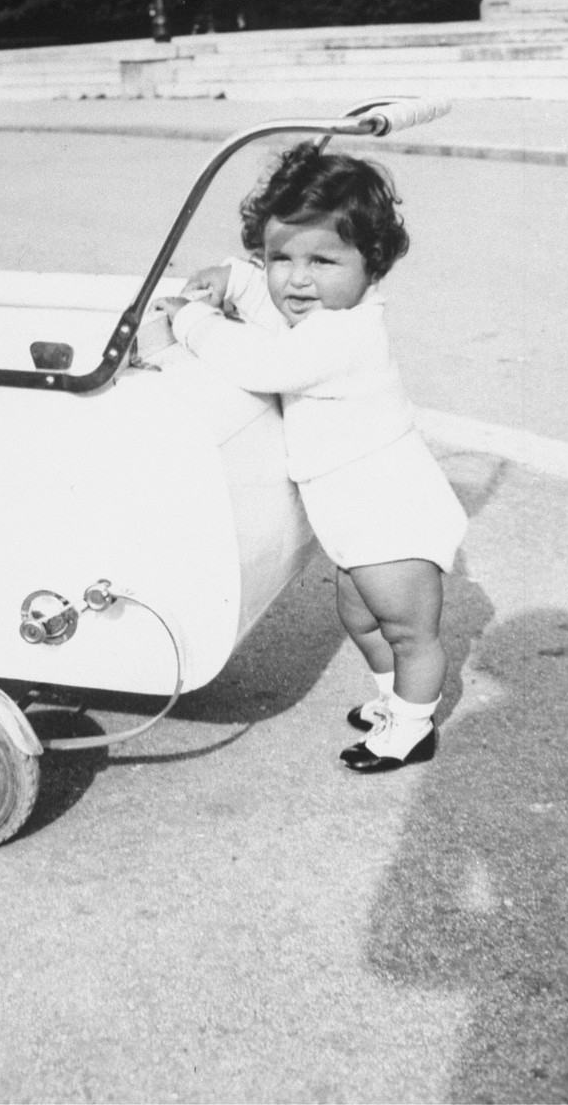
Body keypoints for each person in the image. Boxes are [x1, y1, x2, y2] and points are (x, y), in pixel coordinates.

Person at [156, 141, 467, 773]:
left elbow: (261, 359)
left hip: (393, 517)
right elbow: (277, 313)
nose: (298, 279)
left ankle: (412, 726)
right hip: (357, 516)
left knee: (408, 631)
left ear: (371, 265)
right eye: (278, 259)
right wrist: (235, 277)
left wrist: (191, 320)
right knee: (359, 613)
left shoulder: (346, 335)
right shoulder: (320, 313)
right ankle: (395, 702)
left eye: (323, 259)